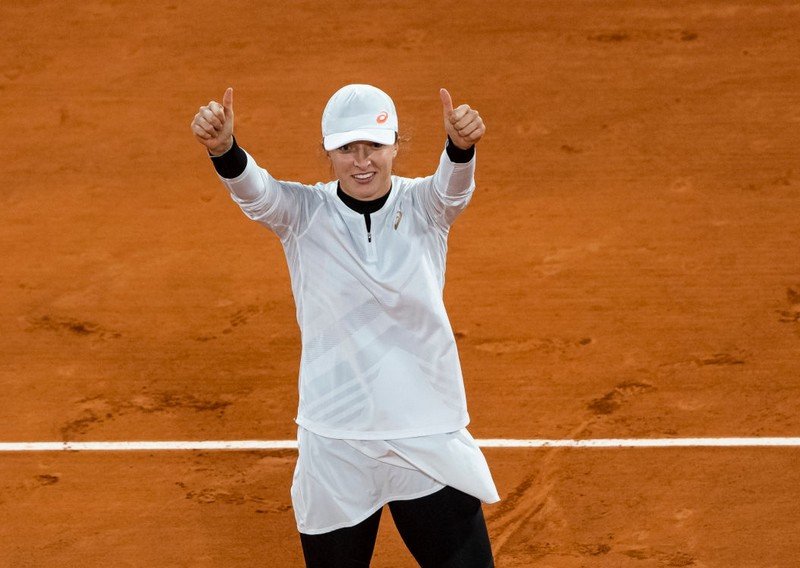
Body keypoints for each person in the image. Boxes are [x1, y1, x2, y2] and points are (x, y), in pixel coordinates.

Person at [191, 83, 499, 567]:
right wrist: (224, 150)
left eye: (374, 145)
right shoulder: (303, 214)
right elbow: (258, 194)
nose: (362, 161)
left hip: (425, 433)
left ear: (395, 145)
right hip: (336, 441)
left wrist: (460, 148)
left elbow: (453, 187)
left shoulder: (426, 206)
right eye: (346, 149)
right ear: (328, 152)